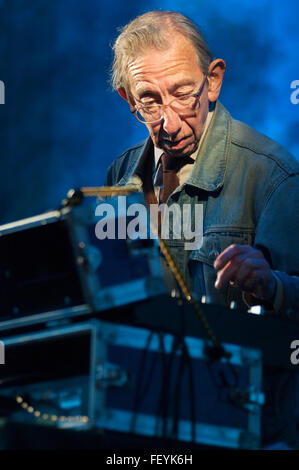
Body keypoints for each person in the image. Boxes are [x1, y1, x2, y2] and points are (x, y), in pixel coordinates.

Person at [105, 10, 299, 449]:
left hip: (246, 434)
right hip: (143, 427)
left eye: (183, 94)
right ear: (128, 100)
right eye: (150, 102)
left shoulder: (274, 176)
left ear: (213, 81)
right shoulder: (119, 178)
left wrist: (273, 286)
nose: (169, 124)